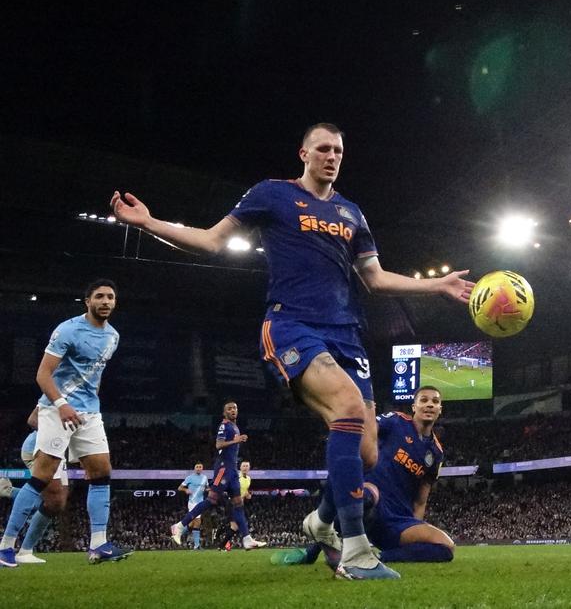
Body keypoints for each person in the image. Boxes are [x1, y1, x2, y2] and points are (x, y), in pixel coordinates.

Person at [111, 122, 474, 579]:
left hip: (346, 333)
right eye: (323, 148)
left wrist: (437, 285)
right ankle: (356, 548)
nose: (332, 156)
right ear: (303, 153)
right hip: (291, 324)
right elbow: (211, 240)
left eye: (338, 151)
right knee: (346, 406)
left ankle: (319, 521)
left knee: (366, 455)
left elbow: (376, 279)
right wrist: (148, 223)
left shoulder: (352, 213)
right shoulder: (273, 194)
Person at [0, 280, 132, 567]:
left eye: (111, 296)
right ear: (87, 301)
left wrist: (90, 406)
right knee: (41, 478)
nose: (106, 301)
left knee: (101, 473)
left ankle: (99, 544)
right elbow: (43, 374)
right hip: (56, 410)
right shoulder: (68, 329)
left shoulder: (113, 336)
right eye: (99, 296)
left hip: (89, 413)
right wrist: (61, 405)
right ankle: (6, 545)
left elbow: (93, 378)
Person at [289, 386, 454, 570]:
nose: (430, 405)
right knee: (368, 493)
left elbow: (420, 501)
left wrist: (414, 529)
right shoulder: (396, 421)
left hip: (399, 520)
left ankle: (379, 556)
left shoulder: (436, 452)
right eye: (424, 400)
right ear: (414, 406)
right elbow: (365, 430)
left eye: (435, 401)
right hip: (372, 504)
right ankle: (313, 549)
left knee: (446, 546)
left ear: (440, 409)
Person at [171, 402, 265, 551]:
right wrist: (236, 440)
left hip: (233, 471)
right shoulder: (224, 425)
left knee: (239, 505)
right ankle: (179, 526)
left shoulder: (235, 426)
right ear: (224, 413)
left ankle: (247, 539)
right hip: (223, 469)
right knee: (211, 500)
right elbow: (218, 445)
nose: (233, 410)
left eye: (235, 408)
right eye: (229, 408)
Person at [9, 407, 74, 564]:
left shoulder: (83, 399)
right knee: (52, 500)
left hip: (58, 451)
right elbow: (32, 419)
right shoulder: (57, 393)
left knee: (58, 502)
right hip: (40, 449)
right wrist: (53, 434)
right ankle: (21, 549)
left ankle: (25, 551)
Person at [178, 463, 209, 549]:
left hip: (201, 502)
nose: (198, 468)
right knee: (198, 522)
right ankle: (197, 545)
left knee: (191, 523)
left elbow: (206, 488)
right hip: (192, 502)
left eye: (200, 467)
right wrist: (186, 490)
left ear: (202, 468)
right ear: (194, 468)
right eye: (197, 467)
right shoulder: (190, 478)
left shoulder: (205, 478)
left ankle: (178, 532)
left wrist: (209, 489)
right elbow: (180, 488)